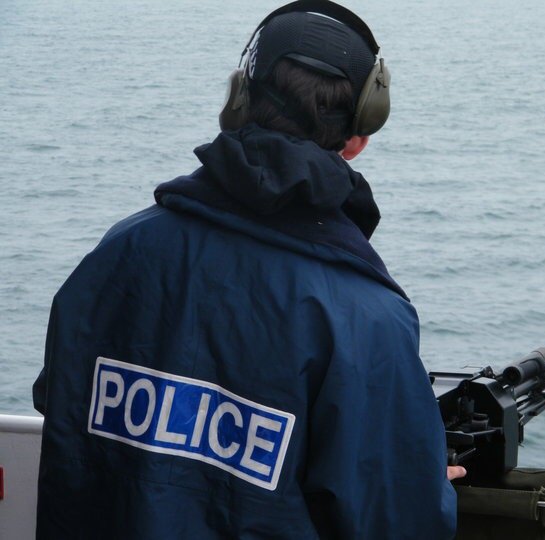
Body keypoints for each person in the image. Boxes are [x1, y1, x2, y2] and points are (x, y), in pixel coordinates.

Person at [32, 1, 463, 538]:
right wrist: (420, 481)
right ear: (360, 132)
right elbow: (400, 523)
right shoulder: (366, 313)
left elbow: (60, 399)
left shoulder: (118, 251)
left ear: (237, 102)